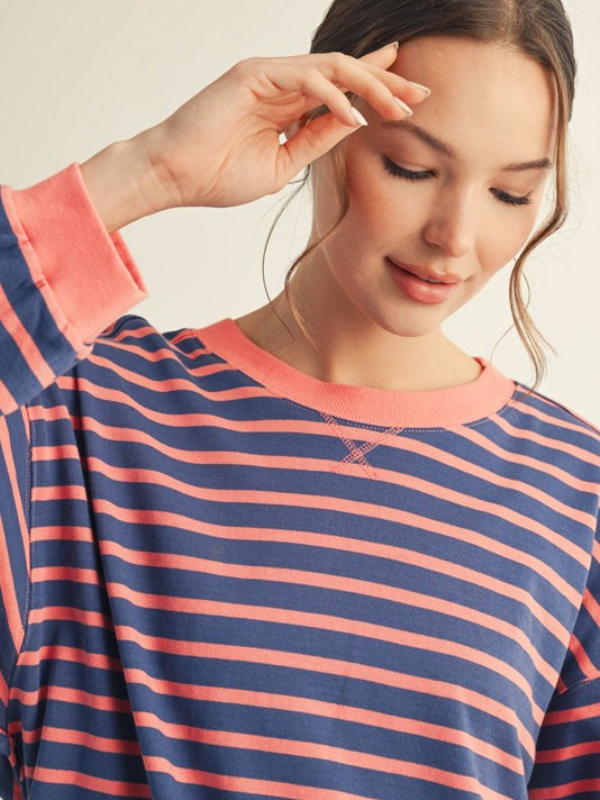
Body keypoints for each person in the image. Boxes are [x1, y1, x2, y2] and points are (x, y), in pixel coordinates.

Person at [0, 0, 598, 798]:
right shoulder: (77, 408)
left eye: (512, 194)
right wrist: (150, 171)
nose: (456, 237)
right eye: (412, 168)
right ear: (323, 116)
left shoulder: (576, 491)